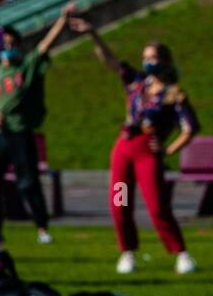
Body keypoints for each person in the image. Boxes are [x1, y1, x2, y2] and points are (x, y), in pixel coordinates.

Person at [71, 17, 200, 275]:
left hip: (147, 153)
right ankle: (127, 251)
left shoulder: (174, 94)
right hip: (124, 149)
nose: (147, 62)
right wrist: (93, 34)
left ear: (164, 61)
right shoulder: (136, 82)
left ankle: (180, 253)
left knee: (157, 206)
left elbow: (190, 127)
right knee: (119, 203)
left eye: (152, 57)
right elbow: (109, 60)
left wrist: (168, 149)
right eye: (145, 57)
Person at [0, 1, 75, 247]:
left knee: (28, 182)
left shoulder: (26, 67)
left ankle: (42, 227)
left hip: (20, 133)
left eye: (12, 43)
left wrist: (62, 19)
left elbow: (44, 46)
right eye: (4, 43)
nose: (8, 47)